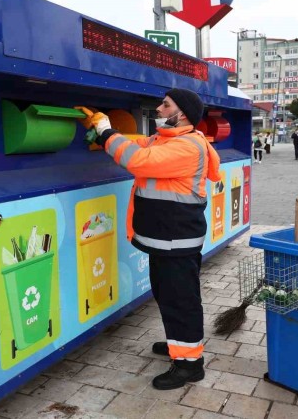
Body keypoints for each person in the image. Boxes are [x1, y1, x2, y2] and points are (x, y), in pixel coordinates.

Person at [75, 88, 220, 390]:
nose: (158, 108)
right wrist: (104, 134)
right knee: (167, 296)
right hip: (164, 240)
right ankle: (177, 346)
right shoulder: (163, 140)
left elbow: (138, 160)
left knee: (181, 302)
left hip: (176, 242)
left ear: (183, 114)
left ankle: (190, 365)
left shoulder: (187, 147)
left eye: (166, 105)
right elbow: (134, 144)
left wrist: (104, 130)